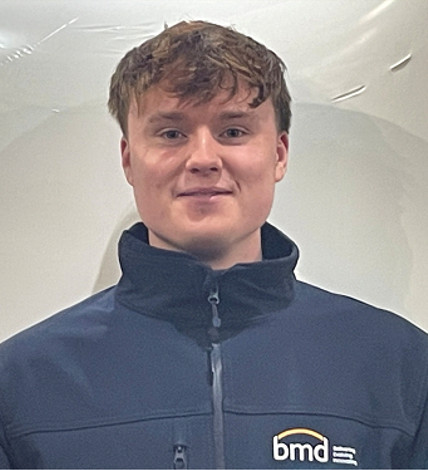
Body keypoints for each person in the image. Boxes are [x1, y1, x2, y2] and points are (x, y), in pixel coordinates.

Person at [0, 20, 427, 469]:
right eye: (171, 133)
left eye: (233, 131)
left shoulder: (400, 367)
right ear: (128, 160)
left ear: (279, 153)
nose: (203, 159)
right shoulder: (20, 385)